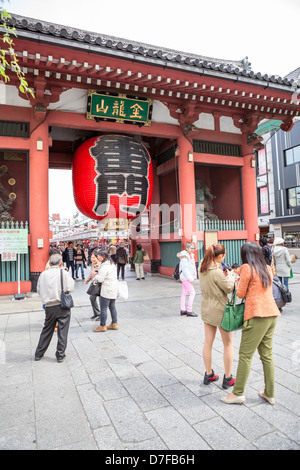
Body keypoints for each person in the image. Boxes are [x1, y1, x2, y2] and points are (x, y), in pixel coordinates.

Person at [221, 242, 280, 405]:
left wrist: (235, 279)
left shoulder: (247, 268)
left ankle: (238, 393)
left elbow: (239, 293)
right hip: (272, 314)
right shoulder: (266, 268)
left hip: (256, 315)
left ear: (245, 255)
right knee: (267, 356)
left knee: (245, 355)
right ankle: (270, 393)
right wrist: (237, 270)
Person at [199, 244, 236, 389]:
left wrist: (223, 274)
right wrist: (231, 276)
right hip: (221, 310)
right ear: (220, 257)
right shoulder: (217, 272)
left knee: (208, 342)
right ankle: (228, 378)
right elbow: (228, 287)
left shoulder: (202, 267)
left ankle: (209, 374)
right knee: (228, 344)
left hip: (207, 308)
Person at [35, 253, 75, 363]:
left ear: (49, 263)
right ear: (61, 263)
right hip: (62, 305)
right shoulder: (64, 273)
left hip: (49, 306)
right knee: (63, 331)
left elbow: (38, 289)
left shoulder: (43, 274)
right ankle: (60, 355)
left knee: (47, 329)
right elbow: (70, 287)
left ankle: (38, 353)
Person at [93, 250, 119, 332]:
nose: (97, 257)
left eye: (98, 256)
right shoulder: (112, 264)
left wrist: (95, 276)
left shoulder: (105, 266)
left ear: (103, 256)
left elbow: (100, 279)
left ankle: (102, 325)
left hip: (106, 289)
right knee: (112, 306)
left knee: (103, 308)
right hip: (113, 288)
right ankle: (114, 324)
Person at [177, 241, 198, 317]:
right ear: (187, 248)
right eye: (191, 248)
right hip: (186, 278)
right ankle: (189, 311)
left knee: (184, 293)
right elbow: (185, 269)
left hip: (187, 278)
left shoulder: (190, 255)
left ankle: (182, 310)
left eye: (194, 248)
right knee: (193, 293)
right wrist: (191, 278)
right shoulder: (184, 256)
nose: (193, 249)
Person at [84, 250, 101, 320]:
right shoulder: (92, 265)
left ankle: (100, 315)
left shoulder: (100, 265)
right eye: (91, 257)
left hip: (99, 284)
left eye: (94, 257)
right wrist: (87, 280)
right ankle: (97, 313)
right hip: (94, 283)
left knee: (100, 300)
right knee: (92, 298)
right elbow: (91, 274)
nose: (92, 259)